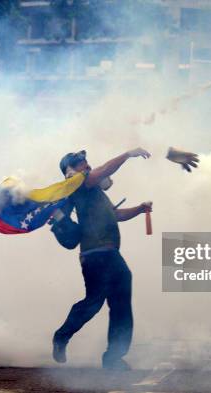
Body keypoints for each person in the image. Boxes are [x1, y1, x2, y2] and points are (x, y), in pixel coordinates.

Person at [52, 147, 153, 370]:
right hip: (96, 255)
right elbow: (106, 168)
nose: (87, 165)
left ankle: (113, 358)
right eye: (81, 163)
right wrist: (128, 154)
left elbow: (116, 215)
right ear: (71, 170)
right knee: (95, 301)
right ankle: (62, 336)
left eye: (87, 162)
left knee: (120, 304)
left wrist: (140, 209)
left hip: (109, 254)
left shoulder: (95, 191)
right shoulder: (80, 184)